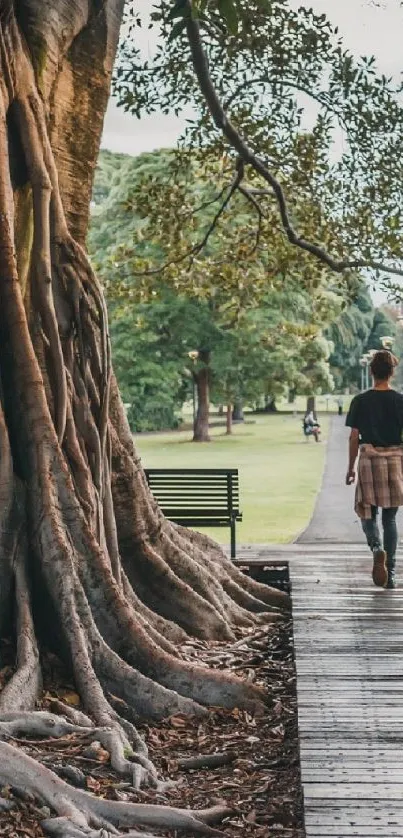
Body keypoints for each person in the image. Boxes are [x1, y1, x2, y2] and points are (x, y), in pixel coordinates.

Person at [345, 350, 403, 589]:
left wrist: (350, 468)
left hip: (369, 460)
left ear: (371, 372)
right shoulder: (401, 401)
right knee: (390, 518)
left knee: (367, 512)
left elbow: (354, 437)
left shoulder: (360, 401)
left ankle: (376, 548)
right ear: (392, 372)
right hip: (394, 461)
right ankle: (390, 573)